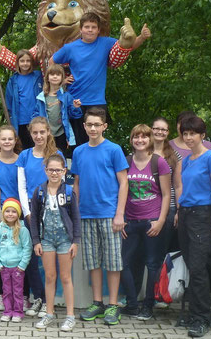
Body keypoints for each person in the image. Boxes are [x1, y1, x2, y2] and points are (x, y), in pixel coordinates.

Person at [50, 12, 151, 145]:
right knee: (78, 143)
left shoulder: (106, 42)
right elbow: (51, 62)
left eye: (93, 27)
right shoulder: (70, 48)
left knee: (96, 142)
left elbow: (127, 46)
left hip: (97, 101)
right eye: (87, 27)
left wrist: (142, 37)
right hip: (75, 101)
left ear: (98, 30)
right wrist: (62, 80)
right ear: (81, 29)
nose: (90, 30)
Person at [72, 107, 128, 326]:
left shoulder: (114, 150)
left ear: (104, 126)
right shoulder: (78, 152)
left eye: (97, 124)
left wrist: (120, 214)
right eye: (89, 124)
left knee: (113, 263)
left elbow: (124, 182)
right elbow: (76, 184)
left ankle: (112, 304)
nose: (93, 128)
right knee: (93, 262)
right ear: (84, 126)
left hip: (109, 214)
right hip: (86, 215)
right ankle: (97, 302)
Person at [176, 115, 211, 337]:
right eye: (185, 133)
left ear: (202, 135)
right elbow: (185, 190)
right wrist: (179, 212)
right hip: (185, 214)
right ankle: (194, 314)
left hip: (202, 216)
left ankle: (203, 318)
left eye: (192, 133)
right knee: (190, 266)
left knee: (197, 268)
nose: (188, 137)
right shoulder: (186, 160)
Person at [120, 124, 171, 321]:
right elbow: (122, 192)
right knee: (123, 263)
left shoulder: (159, 163)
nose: (139, 140)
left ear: (150, 140)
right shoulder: (126, 162)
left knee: (152, 264)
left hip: (152, 221)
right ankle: (132, 304)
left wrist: (161, 220)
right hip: (131, 221)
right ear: (131, 140)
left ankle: (148, 305)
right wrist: (122, 218)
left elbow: (166, 194)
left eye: (144, 137)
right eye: (136, 137)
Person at [30, 155, 81, 332]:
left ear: (64, 171)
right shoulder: (39, 192)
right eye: (51, 169)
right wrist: (36, 241)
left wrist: (76, 241)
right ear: (45, 171)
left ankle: (70, 316)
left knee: (66, 277)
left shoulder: (68, 192)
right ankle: (49, 314)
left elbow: (76, 217)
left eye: (58, 170)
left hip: (65, 239)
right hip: (46, 240)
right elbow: (34, 219)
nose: (54, 173)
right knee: (50, 276)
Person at [18, 117, 62, 317]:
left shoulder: (56, 155)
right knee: (30, 259)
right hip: (29, 213)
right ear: (30, 134)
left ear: (48, 132)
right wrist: (27, 212)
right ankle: (39, 298)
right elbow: (22, 185)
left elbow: (60, 185)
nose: (38, 136)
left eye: (42, 132)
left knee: (50, 260)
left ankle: (49, 302)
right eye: (34, 133)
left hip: (52, 214)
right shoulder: (24, 156)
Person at [0, 125, 22, 311]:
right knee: (0, 257)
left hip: (19, 218)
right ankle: (2, 295)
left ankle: (22, 296)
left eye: (10, 139)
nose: (7, 142)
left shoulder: (21, 161)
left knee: (19, 258)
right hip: (0, 216)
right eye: (4, 139)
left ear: (15, 140)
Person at [0, 198, 31, 323]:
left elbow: (27, 248)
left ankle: (18, 312)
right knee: (6, 291)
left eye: (13, 211)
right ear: (3, 213)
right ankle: (7, 311)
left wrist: (22, 265)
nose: (10, 214)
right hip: (4, 267)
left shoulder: (23, 230)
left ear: (18, 214)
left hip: (18, 268)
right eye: (7, 211)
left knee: (18, 291)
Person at [33, 64, 82, 158]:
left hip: (61, 133)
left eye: (58, 75)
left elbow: (73, 115)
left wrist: (75, 107)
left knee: (61, 156)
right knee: (46, 157)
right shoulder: (41, 97)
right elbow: (36, 113)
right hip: (46, 134)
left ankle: (61, 172)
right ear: (47, 78)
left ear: (62, 78)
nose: (55, 76)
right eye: (52, 74)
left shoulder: (66, 96)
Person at [151, 117, 182, 254]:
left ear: (168, 132)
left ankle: (163, 276)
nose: (159, 132)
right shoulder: (141, 152)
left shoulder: (175, 156)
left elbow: (178, 185)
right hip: (146, 208)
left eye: (163, 129)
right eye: (156, 128)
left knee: (163, 251)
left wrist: (178, 210)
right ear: (151, 130)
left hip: (169, 208)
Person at [6, 49, 43, 148]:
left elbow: (50, 85)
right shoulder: (13, 80)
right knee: (25, 148)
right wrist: (12, 116)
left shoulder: (38, 76)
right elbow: (9, 101)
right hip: (21, 120)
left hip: (36, 118)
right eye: (22, 61)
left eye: (28, 61)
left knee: (38, 146)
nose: (25, 63)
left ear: (31, 62)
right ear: (18, 62)